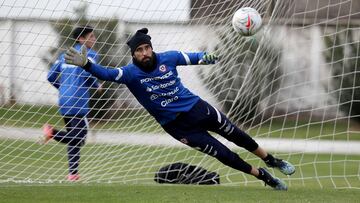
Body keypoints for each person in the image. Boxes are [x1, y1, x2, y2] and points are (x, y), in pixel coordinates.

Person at [64, 28, 295, 189]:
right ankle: (263, 176)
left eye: (147, 48)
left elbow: (195, 57)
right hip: (178, 127)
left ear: (151, 48)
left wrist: (209, 57)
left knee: (236, 135)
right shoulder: (130, 73)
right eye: (139, 50)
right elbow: (107, 74)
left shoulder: (169, 57)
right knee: (224, 155)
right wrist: (87, 64)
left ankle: (271, 160)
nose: (144, 53)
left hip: (197, 109)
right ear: (133, 54)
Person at [43, 25, 102, 181]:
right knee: (79, 137)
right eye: (91, 37)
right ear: (81, 39)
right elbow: (88, 72)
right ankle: (52, 132)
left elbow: (50, 76)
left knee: (73, 138)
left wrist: (63, 88)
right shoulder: (91, 54)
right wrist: (97, 85)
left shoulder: (64, 55)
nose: (94, 39)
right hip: (79, 101)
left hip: (64, 100)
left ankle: (73, 174)